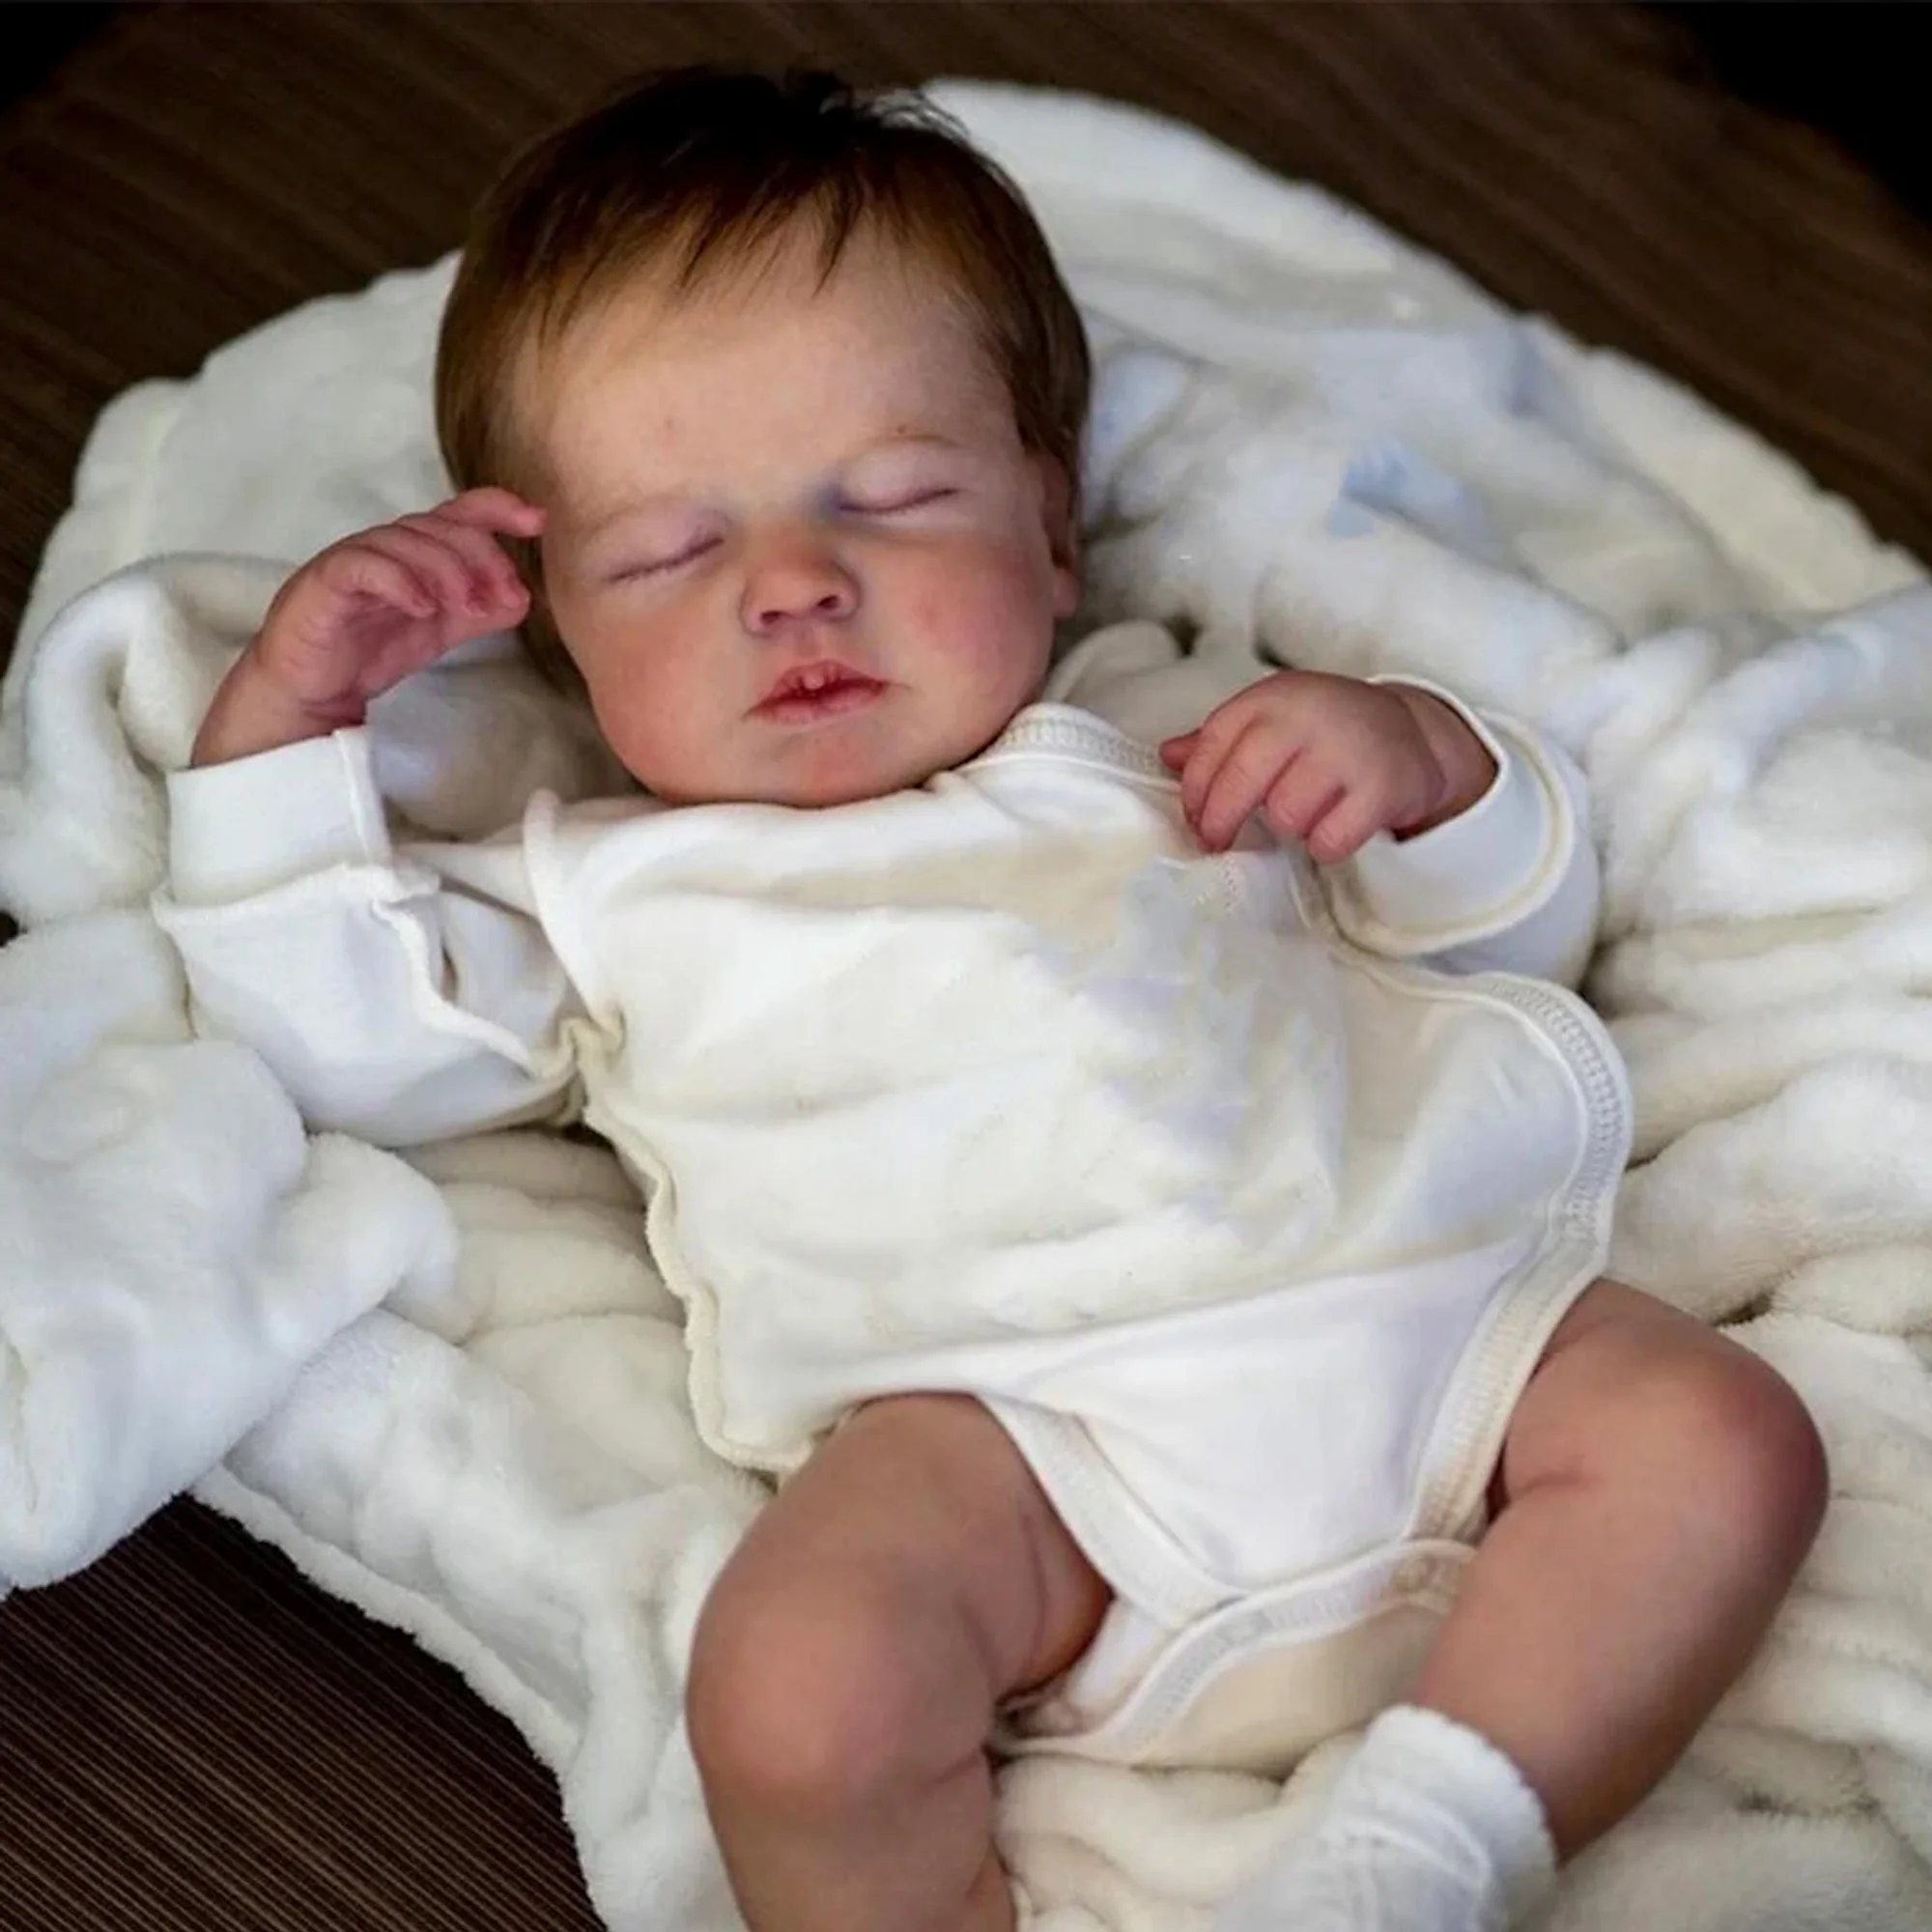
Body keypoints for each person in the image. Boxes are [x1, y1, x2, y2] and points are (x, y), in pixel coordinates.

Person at [156, 67, 1828, 1932]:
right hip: (1026, 1468)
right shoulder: (606, 892)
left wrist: (1428, 772)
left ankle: (1426, 1849)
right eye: (669, 551)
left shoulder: (1168, 729)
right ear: (559, 632)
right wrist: (288, 725)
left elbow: (1510, 945)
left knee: (1725, 1443)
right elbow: (329, 1039)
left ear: (1051, 525)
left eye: (890, 498)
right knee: (794, 1685)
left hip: (1438, 1341)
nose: (795, 585)